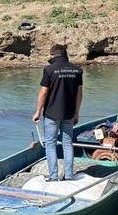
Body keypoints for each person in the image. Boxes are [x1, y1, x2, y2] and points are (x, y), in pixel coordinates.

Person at [32, 44, 83, 181]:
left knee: (50, 144)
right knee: (67, 144)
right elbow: (79, 93)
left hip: (52, 114)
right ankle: (69, 175)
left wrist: (37, 112)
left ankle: (53, 177)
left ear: (53, 55)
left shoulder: (49, 70)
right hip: (69, 113)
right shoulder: (77, 70)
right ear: (65, 54)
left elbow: (43, 92)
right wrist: (77, 113)